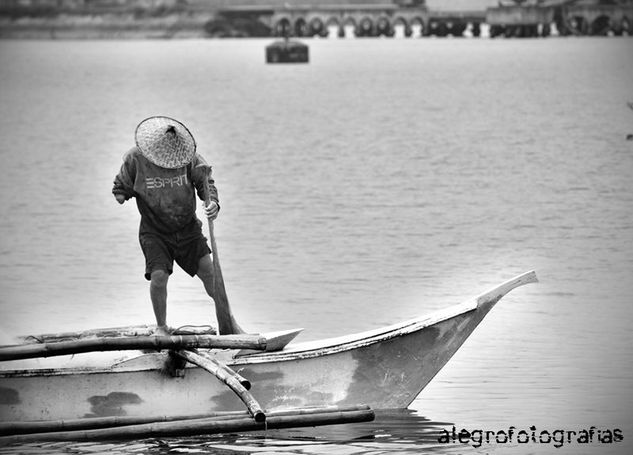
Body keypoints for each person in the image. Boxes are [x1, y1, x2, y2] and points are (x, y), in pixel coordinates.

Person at [112, 116, 243, 336]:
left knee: (211, 274)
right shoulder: (135, 158)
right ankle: (162, 327)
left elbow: (206, 184)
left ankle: (229, 322)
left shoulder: (188, 158)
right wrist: (123, 194)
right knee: (159, 276)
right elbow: (121, 187)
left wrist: (213, 204)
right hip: (154, 231)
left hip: (187, 228)